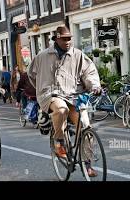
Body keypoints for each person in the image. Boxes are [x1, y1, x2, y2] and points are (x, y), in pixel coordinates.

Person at [27, 26, 101, 177]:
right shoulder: (42, 56)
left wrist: (94, 86)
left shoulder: (78, 55)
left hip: (73, 96)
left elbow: (89, 73)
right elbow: (32, 75)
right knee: (61, 110)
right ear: (57, 39)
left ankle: (87, 164)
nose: (68, 41)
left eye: (69, 38)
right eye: (64, 39)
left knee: (85, 127)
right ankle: (59, 141)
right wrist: (42, 89)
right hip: (51, 95)